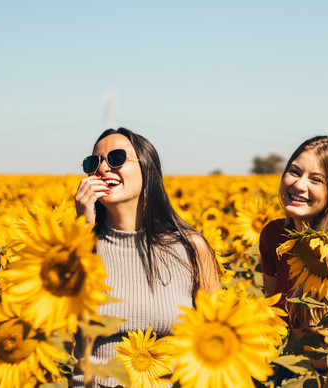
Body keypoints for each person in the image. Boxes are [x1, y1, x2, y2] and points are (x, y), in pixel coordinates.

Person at [72, 127, 221, 387]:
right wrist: (81, 230)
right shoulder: (78, 246)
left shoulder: (190, 248)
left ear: (147, 168)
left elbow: (216, 336)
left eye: (117, 158)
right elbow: (57, 323)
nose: (103, 169)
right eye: (94, 162)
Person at [259, 135, 328, 326]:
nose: (299, 185)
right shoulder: (273, 235)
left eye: (316, 179)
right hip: (281, 352)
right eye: (294, 172)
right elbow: (271, 310)